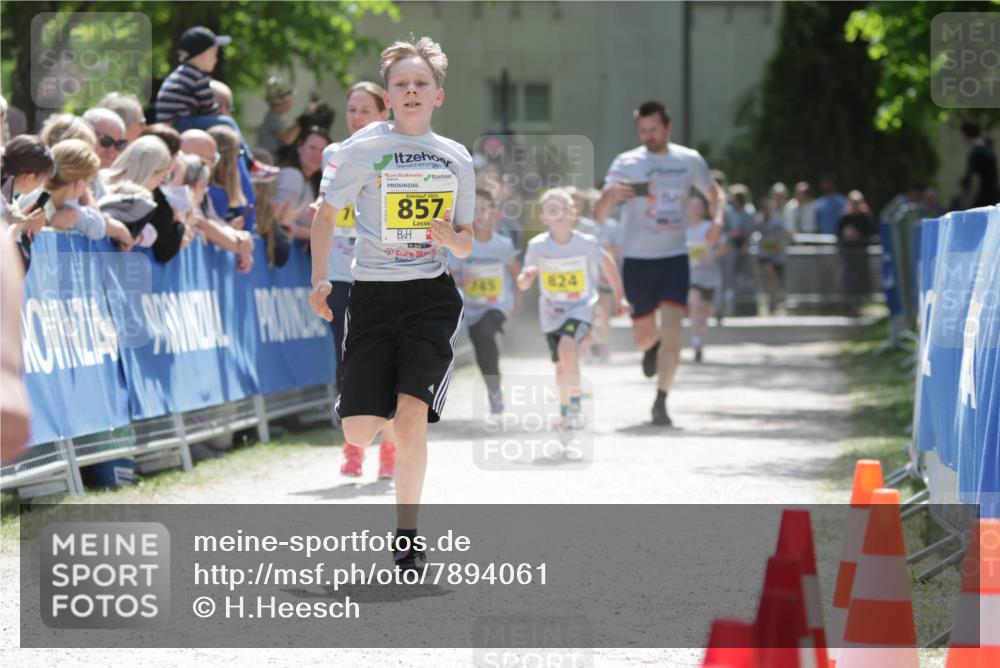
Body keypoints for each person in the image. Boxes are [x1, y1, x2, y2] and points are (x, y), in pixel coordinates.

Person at [307, 37, 475, 572]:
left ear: (438, 96)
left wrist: (451, 238)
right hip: (372, 295)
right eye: (401, 84)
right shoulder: (360, 149)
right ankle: (364, 412)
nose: (410, 90)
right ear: (387, 95)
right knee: (360, 428)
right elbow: (325, 216)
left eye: (420, 83)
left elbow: (469, 241)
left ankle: (407, 536)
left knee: (411, 419)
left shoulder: (456, 158)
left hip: (430, 295)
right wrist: (319, 281)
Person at [595, 101, 724, 426]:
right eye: (643, 131)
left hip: (674, 257)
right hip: (637, 259)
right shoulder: (627, 162)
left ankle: (661, 400)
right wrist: (609, 196)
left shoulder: (688, 159)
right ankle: (650, 348)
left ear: (667, 128)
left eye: (654, 130)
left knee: (672, 331)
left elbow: (715, 194)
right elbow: (598, 214)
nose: (649, 136)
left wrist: (718, 220)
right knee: (642, 337)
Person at [313, 81, 395, 478]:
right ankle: (353, 447)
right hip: (344, 274)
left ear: (384, 113)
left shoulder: (399, 152)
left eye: (365, 110)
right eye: (351, 109)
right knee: (348, 360)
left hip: (386, 270)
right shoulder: (334, 153)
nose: (355, 117)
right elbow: (326, 208)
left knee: (391, 363)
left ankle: (391, 447)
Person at [518, 187, 627, 429]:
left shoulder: (586, 243)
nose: (557, 214)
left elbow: (608, 262)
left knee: (568, 349)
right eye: (551, 209)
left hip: (581, 308)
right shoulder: (537, 246)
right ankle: (565, 412)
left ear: (573, 214)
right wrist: (526, 278)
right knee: (560, 367)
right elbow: (524, 281)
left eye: (562, 209)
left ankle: (576, 408)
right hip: (550, 313)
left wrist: (620, 298)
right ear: (543, 217)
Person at [455, 188, 521, 414]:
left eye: (484, 209)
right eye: (474, 210)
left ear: (493, 212)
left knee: (486, 332)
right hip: (472, 308)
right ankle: (494, 390)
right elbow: (451, 276)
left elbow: (516, 273)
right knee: (483, 348)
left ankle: (494, 390)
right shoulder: (460, 245)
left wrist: (518, 299)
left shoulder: (502, 245)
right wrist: (463, 280)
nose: (479, 215)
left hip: (498, 306)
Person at [101, 135, 191, 261]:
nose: (162, 180)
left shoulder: (98, 179)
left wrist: (140, 236)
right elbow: (165, 249)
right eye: (164, 174)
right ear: (152, 172)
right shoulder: (142, 199)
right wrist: (126, 234)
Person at [40, 139, 133, 248]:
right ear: (79, 183)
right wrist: (55, 226)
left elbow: (97, 225)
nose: (87, 188)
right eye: (88, 181)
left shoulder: (67, 208)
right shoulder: (37, 202)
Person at [686, 193, 727, 362]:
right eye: (691, 207)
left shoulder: (709, 227)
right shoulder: (682, 229)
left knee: (704, 311)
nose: (694, 210)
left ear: (703, 210)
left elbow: (724, 248)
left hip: (709, 276)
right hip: (691, 276)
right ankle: (696, 343)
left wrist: (709, 256)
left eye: (698, 207)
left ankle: (700, 335)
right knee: (694, 304)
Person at [276, 126, 329, 240]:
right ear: (300, 147)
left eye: (322, 151)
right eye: (312, 148)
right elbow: (280, 222)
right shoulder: (292, 176)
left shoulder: (312, 183)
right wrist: (320, 236)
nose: (317, 155)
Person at [837, 190, 875, 314]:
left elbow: (871, 233)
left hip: (861, 253)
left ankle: (861, 302)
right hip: (848, 253)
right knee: (848, 278)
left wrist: (858, 236)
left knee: (861, 278)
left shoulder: (866, 217)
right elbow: (838, 234)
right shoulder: (844, 217)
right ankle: (848, 303)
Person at [754, 195, 791, 315]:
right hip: (765, 255)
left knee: (774, 279)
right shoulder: (758, 221)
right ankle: (771, 301)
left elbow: (785, 233)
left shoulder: (777, 221)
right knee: (769, 276)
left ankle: (774, 301)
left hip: (776, 255)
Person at [960, 120, 1000, 209]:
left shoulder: (976, 153)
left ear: (965, 135)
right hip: (993, 200)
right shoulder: (989, 150)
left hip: (981, 203)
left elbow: (976, 182)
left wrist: (967, 204)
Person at [256, 76, 299, 156]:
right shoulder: (273, 117)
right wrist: (300, 123)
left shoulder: (276, 116)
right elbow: (287, 140)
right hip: (272, 160)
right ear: (282, 102)